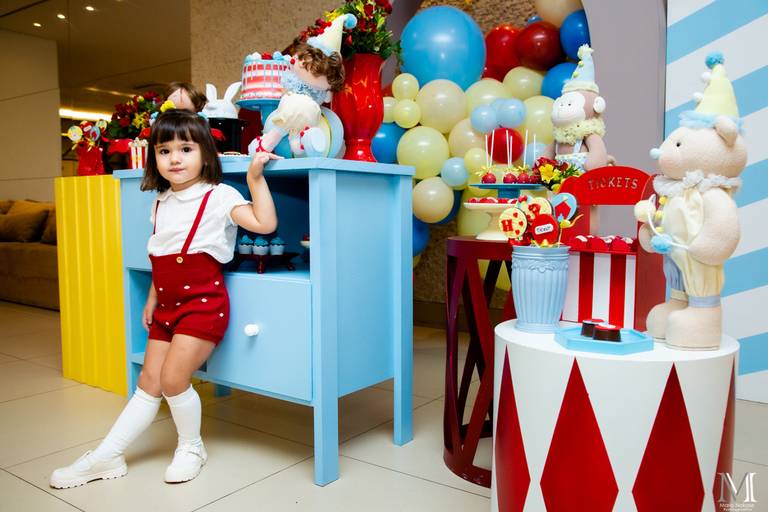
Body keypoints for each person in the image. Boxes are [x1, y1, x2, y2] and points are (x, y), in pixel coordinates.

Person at [50, 109, 280, 488]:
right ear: (154, 158)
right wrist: (153, 298)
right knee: (149, 381)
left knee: (174, 379)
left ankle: (192, 446)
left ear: (205, 154)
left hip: (203, 305)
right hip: (168, 305)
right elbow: (161, 254)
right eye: (164, 150)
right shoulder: (160, 202)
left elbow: (265, 224)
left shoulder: (220, 195)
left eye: (186, 148)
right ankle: (106, 457)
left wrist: (254, 178)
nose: (174, 158)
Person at [251, 14, 354, 157]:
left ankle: (289, 141)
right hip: (291, 103)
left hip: (312, 113)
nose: (297, 61)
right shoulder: (294, 85)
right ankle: (275, 139)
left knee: (308, 107)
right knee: (298, 104)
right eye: (300, 58)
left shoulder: (316, 98)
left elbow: (327, 96)